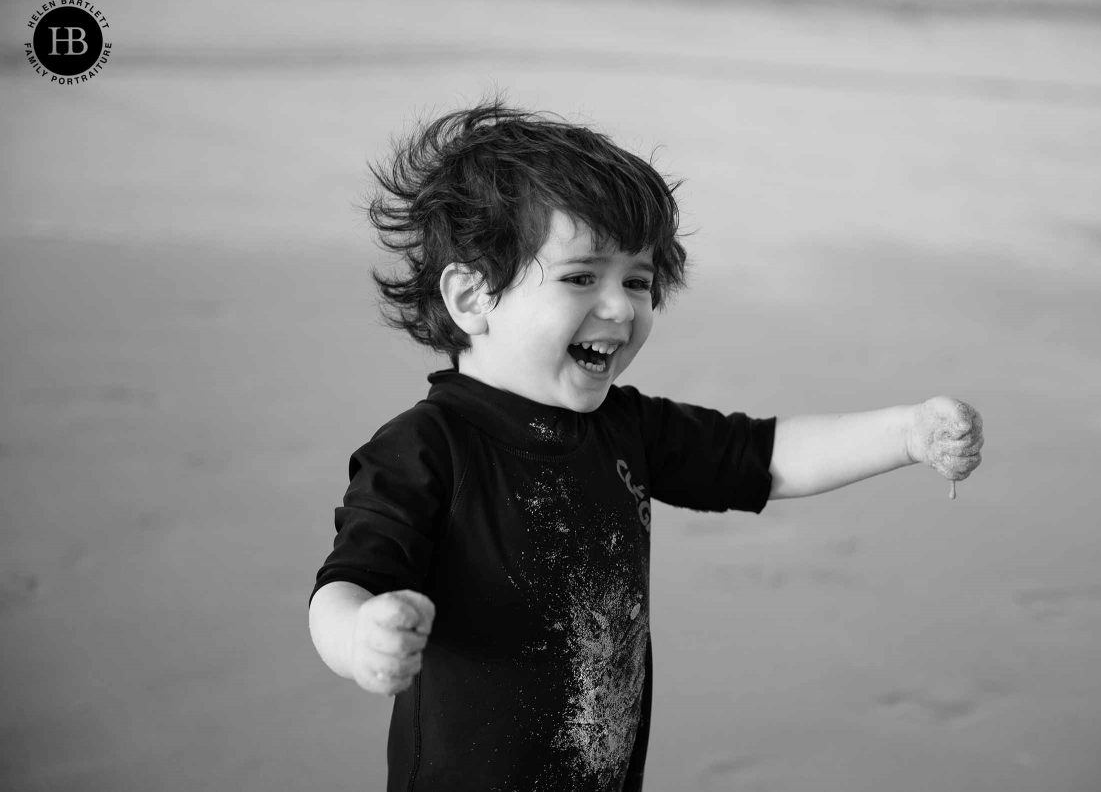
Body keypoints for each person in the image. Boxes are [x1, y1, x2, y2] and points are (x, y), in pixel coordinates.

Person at [308, 100, 984, 792]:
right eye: (582, 277)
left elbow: (766, 457)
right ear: (473, 296)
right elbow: (347, 582)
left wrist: (906, 433)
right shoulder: (426, 450)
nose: (623, 307)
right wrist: (363, 636)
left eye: (638, 280)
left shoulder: (626, 427)